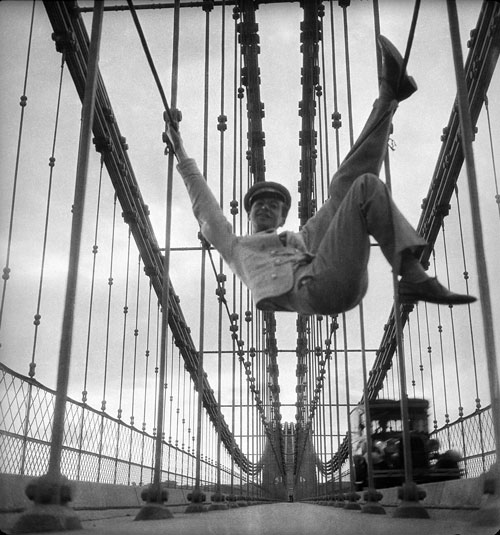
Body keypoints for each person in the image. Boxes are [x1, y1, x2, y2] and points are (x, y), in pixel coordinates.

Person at [166, 36, 476, 316]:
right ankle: (413, 276)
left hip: (331, 274)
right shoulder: (235, 247)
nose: (264, 206)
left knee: (349, 187)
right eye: (258, 204)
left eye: (273, 204)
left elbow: (345, 193)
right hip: (313, 291)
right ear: (248, 213)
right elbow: (206, 209)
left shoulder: (304, 239)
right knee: (364, 186)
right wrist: (180, 153)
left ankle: (388, 98)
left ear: (283, 215)